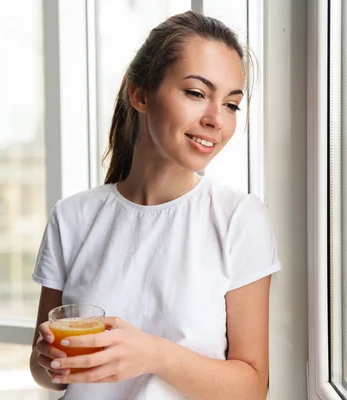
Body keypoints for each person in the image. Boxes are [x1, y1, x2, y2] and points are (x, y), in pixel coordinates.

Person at [29, 10, 281, 400]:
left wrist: (153, 355)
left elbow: (251, 388)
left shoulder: (238, 219)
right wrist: (49, 361)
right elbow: (47, 372)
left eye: (231, 104)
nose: (217, 119)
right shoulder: (72, 217)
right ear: (140, 95)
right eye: (197, 93)